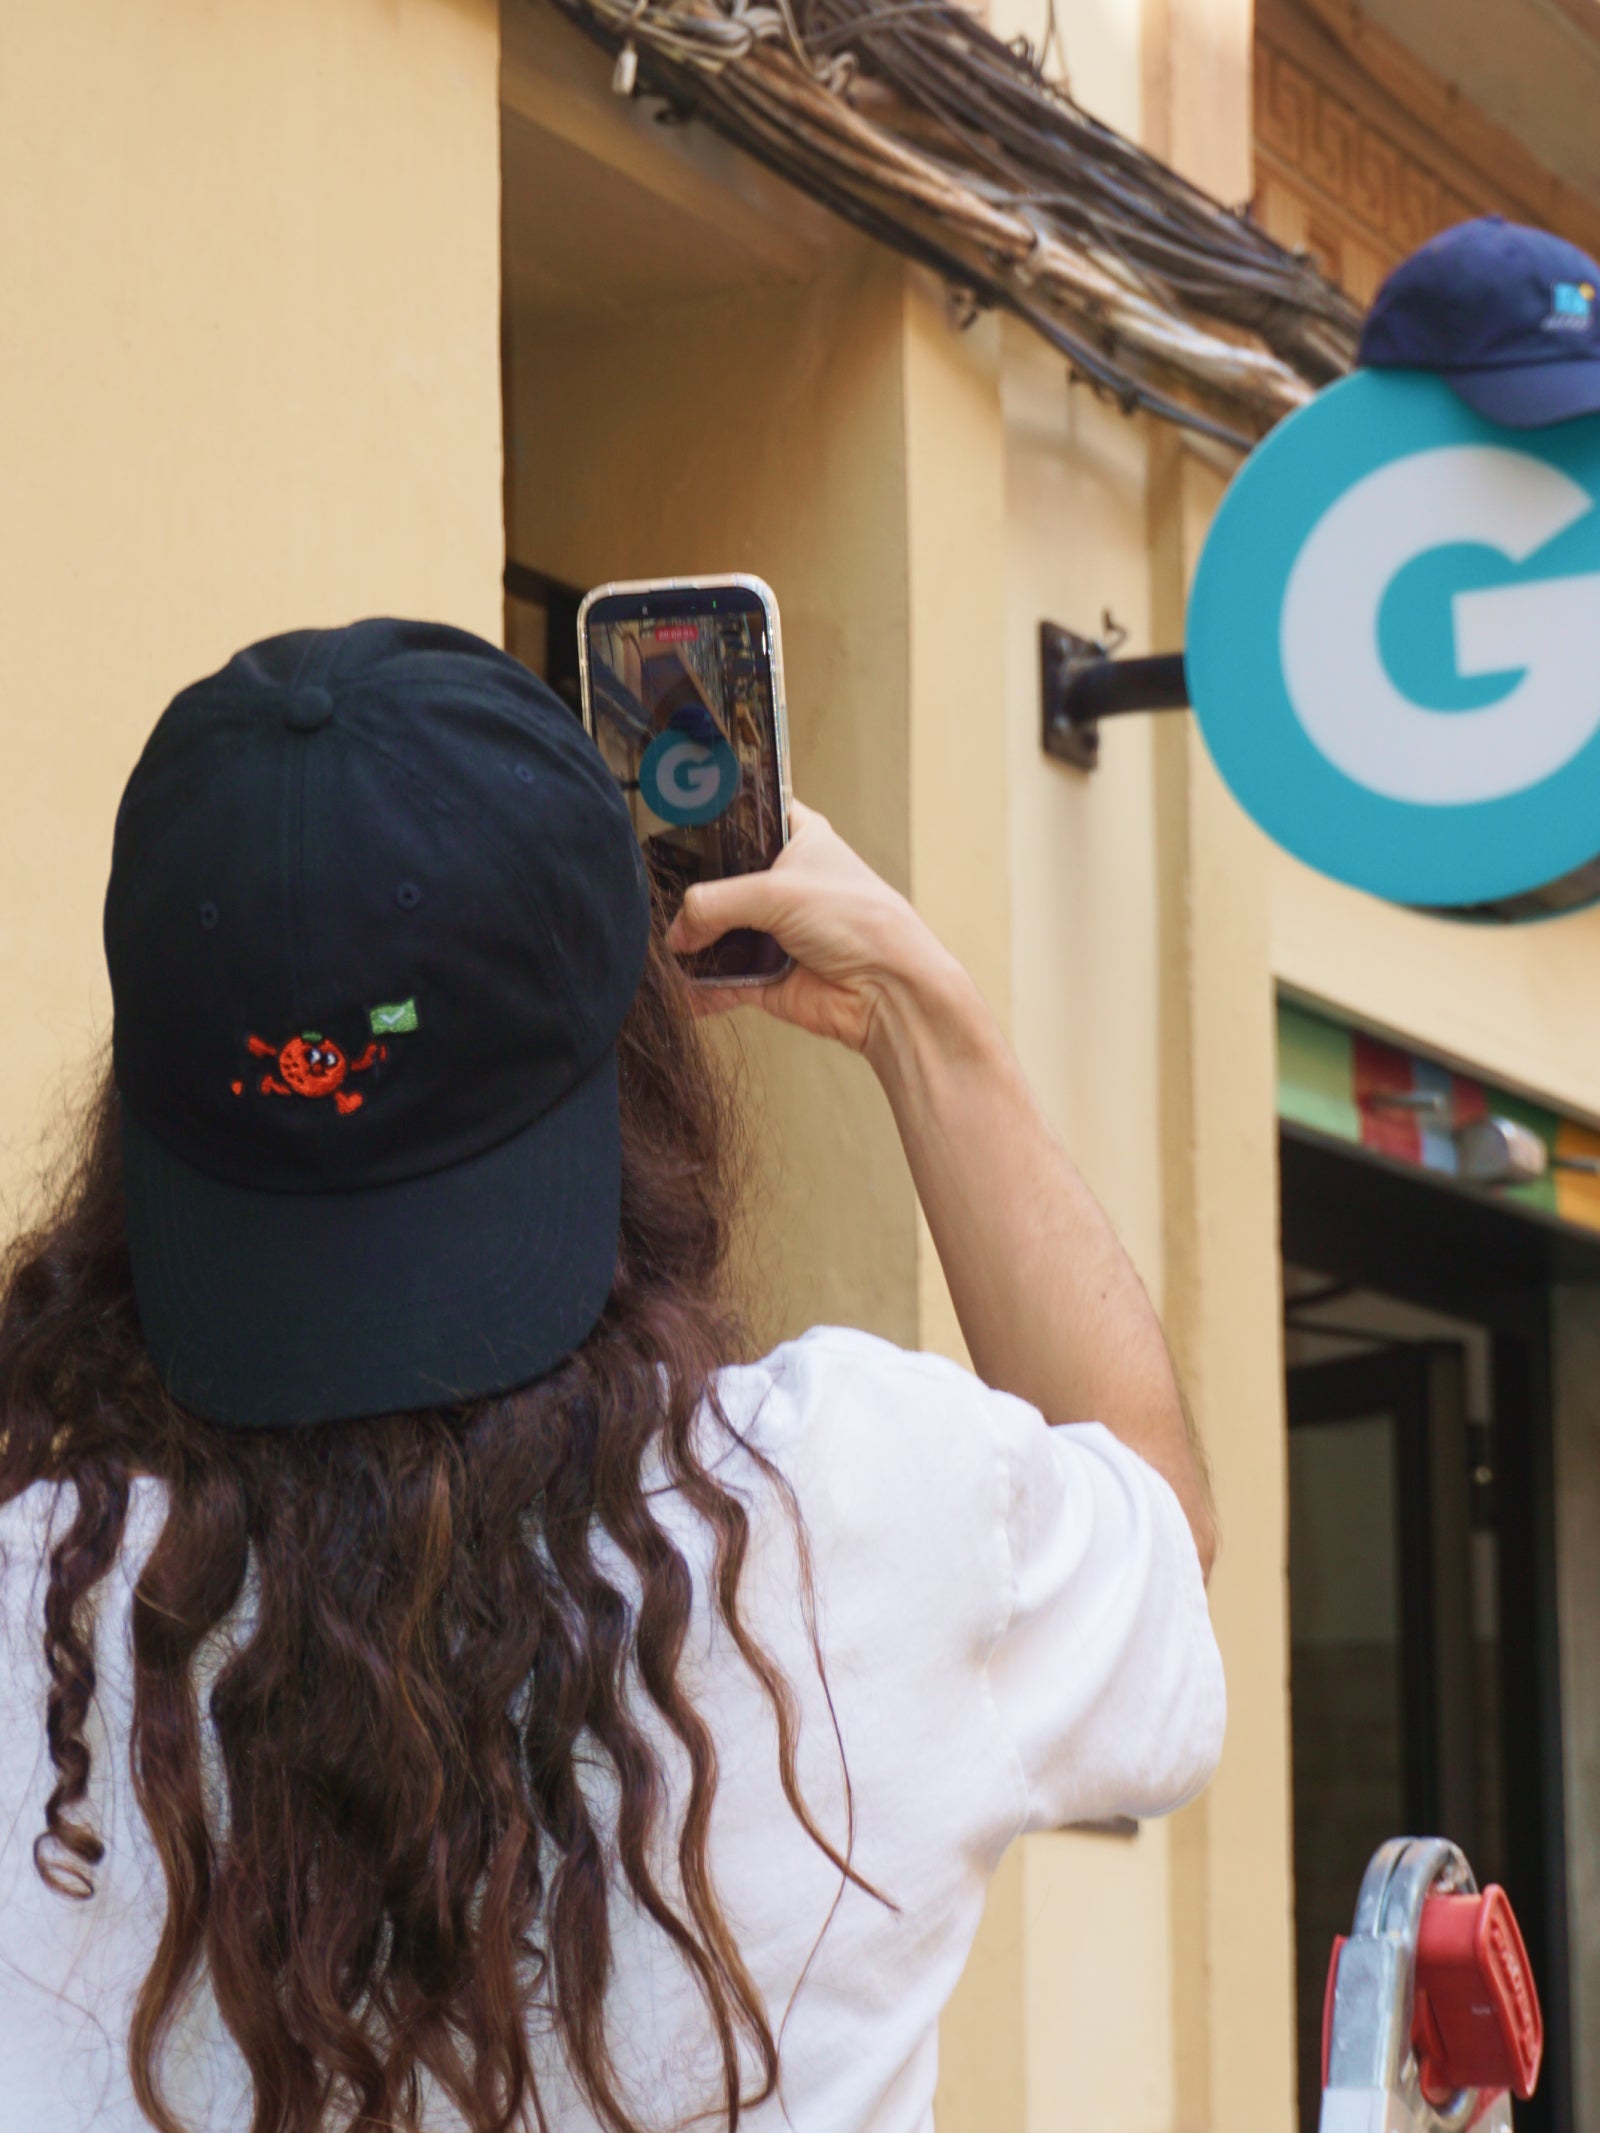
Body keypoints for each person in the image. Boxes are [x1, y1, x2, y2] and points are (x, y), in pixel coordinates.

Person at [0, 619, 1222, 2133]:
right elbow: (1160, 1526)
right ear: (628, 1060)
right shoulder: (862, 1512)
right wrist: (919, 1011)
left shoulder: (27, 1601)